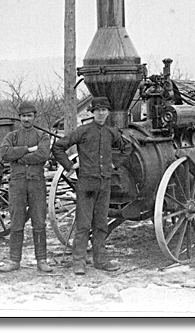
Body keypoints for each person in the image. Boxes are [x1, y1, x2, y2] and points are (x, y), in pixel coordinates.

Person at [52, 97, 131, 274]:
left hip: (105, 183)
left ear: (108, 112)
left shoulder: (112, 132)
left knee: (101, 224)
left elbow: (127, 148)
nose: (101, 113)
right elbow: (58, 147)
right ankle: (78, 262)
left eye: (104, 110)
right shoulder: (83, 131)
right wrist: (69, 166)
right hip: (86, 184)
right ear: (92, 112)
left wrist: (115, 164)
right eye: (98, 110)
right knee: (83, 224)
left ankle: (100, 260)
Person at [0, 102, 53, 273]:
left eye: (29, 116)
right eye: (23, 116)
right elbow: (5, 153)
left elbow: (43, 154)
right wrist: (27, 150)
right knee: (16, 222)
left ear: (34, 117)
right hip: (17, 184)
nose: (26, 119)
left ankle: (42, 260)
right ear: (19, 118)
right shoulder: (12, 136)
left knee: (39, 221)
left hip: (36, 183)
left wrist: (19, 157)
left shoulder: (42, 136)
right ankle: (14, 260)